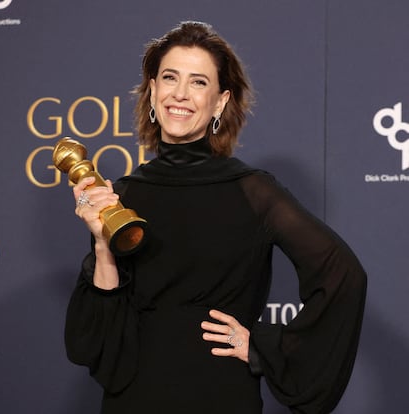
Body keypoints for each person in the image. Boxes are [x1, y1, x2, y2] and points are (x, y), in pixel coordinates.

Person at [64, 21, 367, 414]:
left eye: (199, 82)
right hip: (134, 395)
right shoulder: (122, 195)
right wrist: (103, 246)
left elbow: (344, 275)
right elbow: (98, 343)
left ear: (220, 103)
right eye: (170, 78)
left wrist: (260, 346)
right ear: (152, 91)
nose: (180, 94)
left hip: (220, 393)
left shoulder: (253, 192)